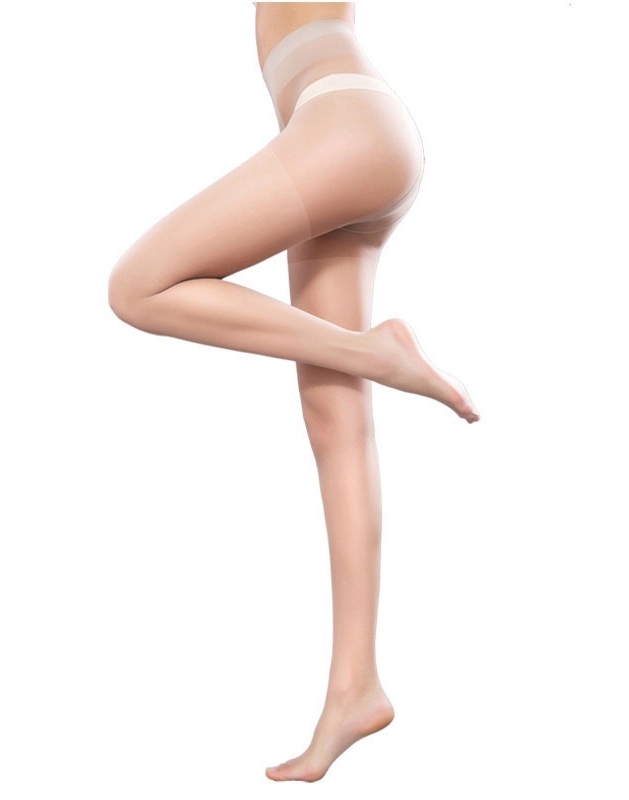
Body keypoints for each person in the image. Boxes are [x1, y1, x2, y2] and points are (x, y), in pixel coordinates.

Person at [108, 1, 480, 783]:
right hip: (346, 133)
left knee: (138, 286)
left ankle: (375, 353)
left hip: (343, 127)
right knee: (334, 422)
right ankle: (355, 688)